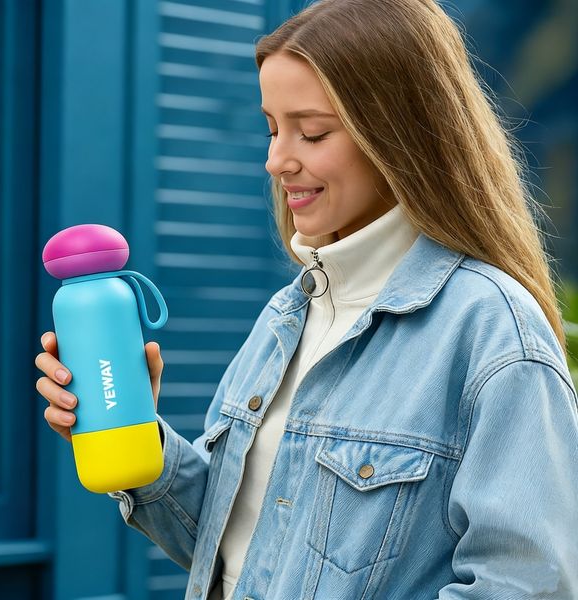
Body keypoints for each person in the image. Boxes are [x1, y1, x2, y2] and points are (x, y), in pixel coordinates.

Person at [35, 0, 578, 597]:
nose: (276, 160)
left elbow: (527, 584)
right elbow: (242, 553)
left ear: (399, 133)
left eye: (312, 132)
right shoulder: (288, 314)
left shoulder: (492, 331)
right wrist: (140, 441)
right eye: (272, 128)